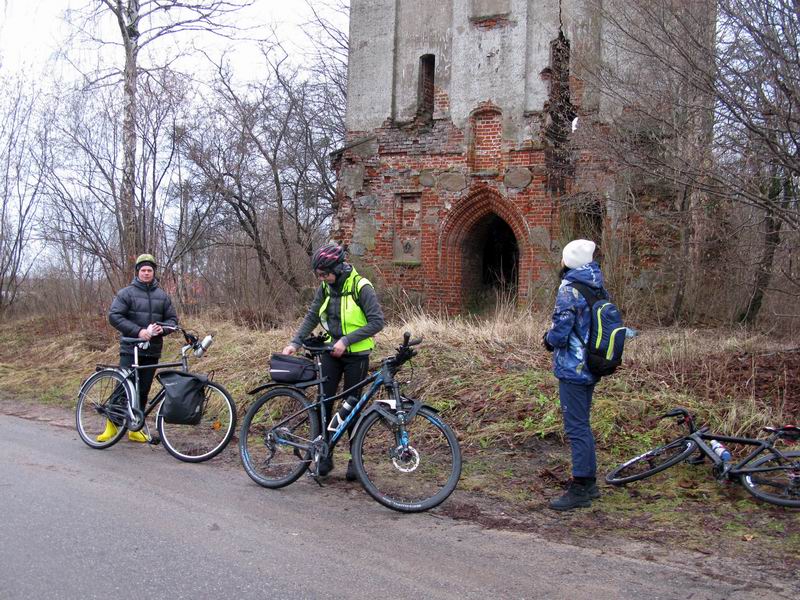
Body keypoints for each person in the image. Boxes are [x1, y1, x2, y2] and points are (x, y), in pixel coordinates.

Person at [282, 243, 385, 479]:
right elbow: (311, 315)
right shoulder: (325, 288)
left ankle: (354, 461)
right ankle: (323, 456)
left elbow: (377, 322)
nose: (321, 278)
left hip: (356, 356)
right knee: (324, 404)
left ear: (337, 268)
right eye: (318, 274)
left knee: (352, 408)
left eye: (324, 273)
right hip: (331, 353)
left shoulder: (361, 287)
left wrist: (347, 341)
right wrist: (295, 342)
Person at [543, 239, 605, 510]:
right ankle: (589, 485)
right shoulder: (596, 284)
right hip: (591, 364)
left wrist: (547, 338)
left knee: (577, 427)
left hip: (573, 367)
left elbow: (561, 331)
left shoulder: (569, 288)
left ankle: (581, 486)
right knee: (583, 425)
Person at [99, 253, 178, 443]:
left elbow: (173, 320)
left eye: (149, 270)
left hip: (152, 350)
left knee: (143, 389)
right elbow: (115, 316)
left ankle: (135, 428)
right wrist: (138, 331)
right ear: (137, 272)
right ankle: (111, 426)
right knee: (123, 388)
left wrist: (162, 329)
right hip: (130, 347)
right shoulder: (126, 293)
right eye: (143, 270)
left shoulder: (162, 296)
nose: (146, 273)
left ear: (154, 272)